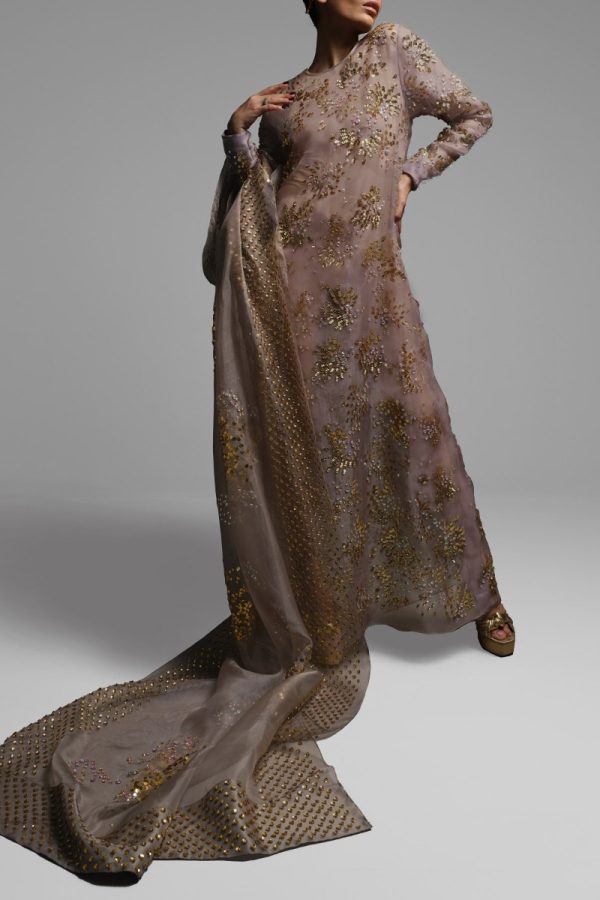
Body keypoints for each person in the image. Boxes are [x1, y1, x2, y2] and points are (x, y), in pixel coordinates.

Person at [0, 0, 514, 883]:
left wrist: (412, 173)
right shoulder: (288, 99)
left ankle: (481, 598)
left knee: (415, 435)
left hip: (371, 288)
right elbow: (253, 206)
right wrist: (236, 133)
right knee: (314, 455)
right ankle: (327, 597)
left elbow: (475, 113)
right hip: (289, 300)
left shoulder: (396, 53)